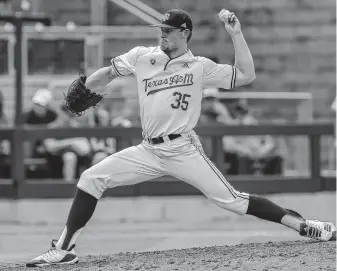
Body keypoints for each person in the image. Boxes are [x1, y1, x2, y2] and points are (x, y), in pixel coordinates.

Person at [26, 9, 336, 267]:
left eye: (169, 30)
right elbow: (107, 73)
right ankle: (64, 249)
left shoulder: (199, 67)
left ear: (184, 32)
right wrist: (81, 89)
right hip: (148, 150)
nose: (162, 34)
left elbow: (246, 75)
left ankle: (305, 226)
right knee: (91, 178)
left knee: (233, 201)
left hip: (183, 148)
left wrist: (235, 35)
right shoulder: (142, 57)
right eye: (161, 29)